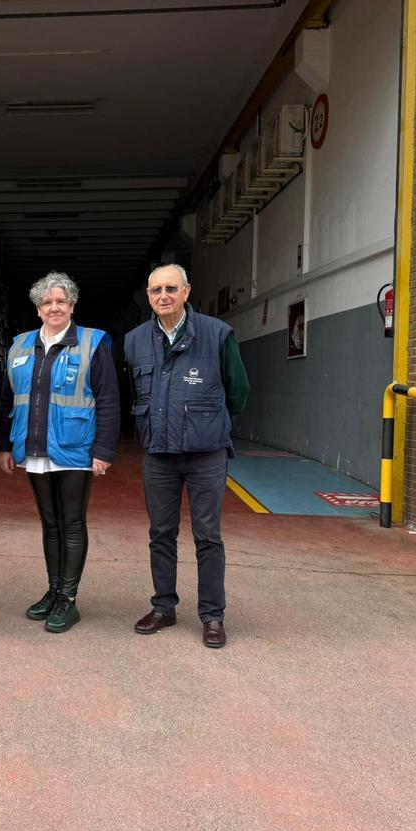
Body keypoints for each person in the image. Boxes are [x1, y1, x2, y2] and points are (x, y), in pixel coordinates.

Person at [123, 264, 249, 648]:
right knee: (160, 533)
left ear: (186, 291)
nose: (164, 296)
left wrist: (207, 425)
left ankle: (212, 615)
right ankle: (163, 607)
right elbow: (134, 391)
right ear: (148, 296)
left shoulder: (217, 335)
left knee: (208, 536)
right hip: (158, 454)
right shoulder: (134, 340)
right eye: (156, 289)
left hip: (205, 455)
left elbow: (238, 391)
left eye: (171, 289)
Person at [0, 272, 119, 633]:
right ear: (38, 308)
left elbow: (109, 399)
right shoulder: (19, 345)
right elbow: (6, 399)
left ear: (72, 306)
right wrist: (4, 444)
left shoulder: (91, 343)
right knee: (49, 523)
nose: (54, 307)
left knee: (72, 523)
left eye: (61, 302)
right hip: (33, 449)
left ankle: (69, 598)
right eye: (47, 302)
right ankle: (53, 590)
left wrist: (104, 450)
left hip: (75, 448)